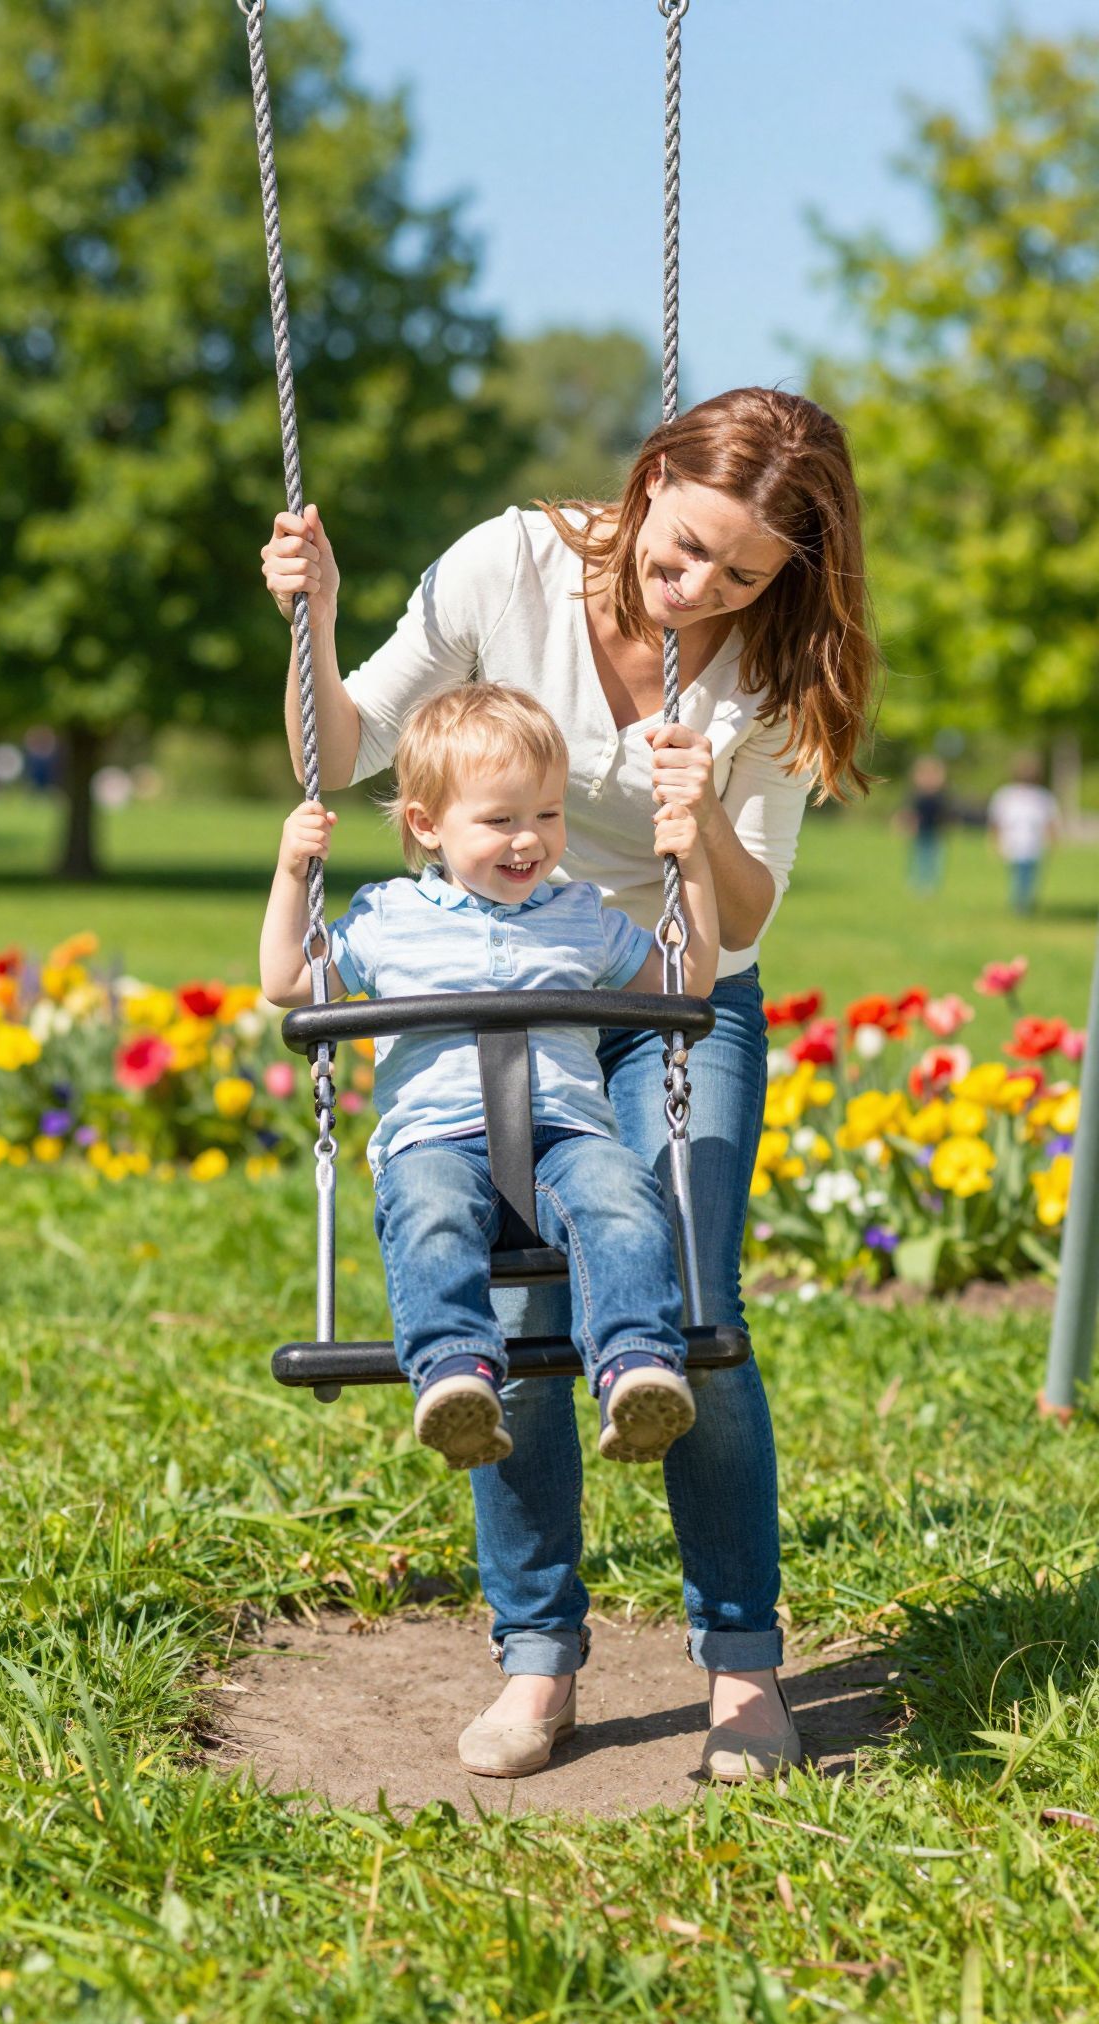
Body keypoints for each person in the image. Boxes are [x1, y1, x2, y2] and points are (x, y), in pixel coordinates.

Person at [260, 387, 879, 1784]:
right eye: (683, 546)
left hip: (672, 991)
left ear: (788, 571)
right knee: (527, 1326)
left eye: (741, 570)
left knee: (688, 1306)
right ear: (649, 479)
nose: (697, 586)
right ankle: (537, 1661)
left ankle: (739, 1667)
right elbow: (344, 753)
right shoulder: (508, 566)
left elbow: (743, 919)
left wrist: (697, 817)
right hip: (500, 988)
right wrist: (316, 611)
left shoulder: (776, 672)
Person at [259, 683, 720, 1482]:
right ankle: (454, 1378)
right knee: (430, 1214)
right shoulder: (388, 918)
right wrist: (292, 871)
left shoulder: (582, 913)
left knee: (623, 1196)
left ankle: (637, 1364)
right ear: (427, 826)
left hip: (569, 1135)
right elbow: (290, 978)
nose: (528, 840)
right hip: (433, 1139)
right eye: (500, 820)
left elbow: (683, 984)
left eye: (547, 815)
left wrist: (694, 865)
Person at [987, 753, 1060, 915]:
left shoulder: (1042, 797)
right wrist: (994, 841)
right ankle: (1020, 902)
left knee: (1029, 874)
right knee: (1019, 873)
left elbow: (1050, 821)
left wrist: (1052, 840)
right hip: (1013, 842)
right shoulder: (1006, 795)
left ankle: (1024, 901)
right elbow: (997, 821)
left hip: (1033, 843)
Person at [897, 755, 952, 894]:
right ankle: (917, 882)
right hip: (920, 832)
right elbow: (909, 813)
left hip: (935, 832)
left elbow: (946, 815)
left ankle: (930, 884)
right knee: (918, 858)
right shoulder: (916, 796)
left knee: (934, 859)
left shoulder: (940, 796)